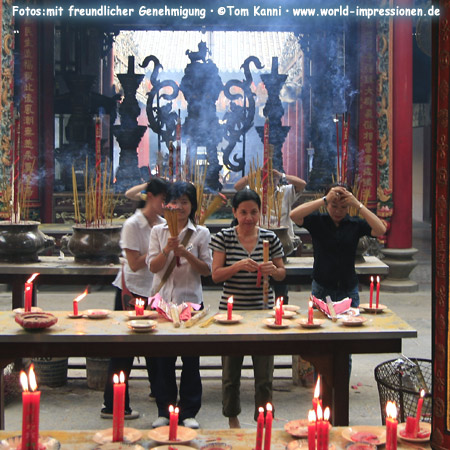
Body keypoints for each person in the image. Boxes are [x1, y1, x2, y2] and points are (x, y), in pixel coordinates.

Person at [209, 188, 286, 429]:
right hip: (231, 315)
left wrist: (274, 271)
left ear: (260, 213)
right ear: (234, 212)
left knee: (264, 375)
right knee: (231, 373)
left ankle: (263, 420)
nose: (249, 218)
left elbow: (282, 273)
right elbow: (216, 276)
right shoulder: (224, 237)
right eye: (243, 212)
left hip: (263, 312)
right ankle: (232, 419)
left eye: (253, 212)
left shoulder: (269, 238)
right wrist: (239, 265)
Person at [101, 177, 169, 420]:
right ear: (150, 197)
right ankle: (113, 405)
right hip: (131, 292)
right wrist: (161, 252)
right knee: (123, 348)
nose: (165, 205)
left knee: (156, 347)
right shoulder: (133, 224)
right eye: (163, 199)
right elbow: (134, 263)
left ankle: (160, 394)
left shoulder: (163, 223)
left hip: (154, 290)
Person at [147, 181, 212, 429]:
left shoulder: (201, 233)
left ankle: (188, 412)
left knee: (191, 360)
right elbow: (152, 267)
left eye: (185, 202)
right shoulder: (158, 232)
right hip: (163, 303)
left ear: (192, 205)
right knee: (163, 360)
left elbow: (206, 270)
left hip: (191, 303)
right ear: (167, 205)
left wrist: (186, 254)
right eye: (175, 202)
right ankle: (165, 409)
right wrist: (167, 250)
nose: (180, 207)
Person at [290, 183, 386, 307]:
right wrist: (324, 199)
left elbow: (380, 230)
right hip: (321, 288)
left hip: (348, 289)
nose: (338, 211)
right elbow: (294, 215)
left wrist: (358, 204)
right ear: (327, 204)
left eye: (343, 207)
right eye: (334, 206)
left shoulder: (354, 224)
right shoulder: (318, 221)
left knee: (350, 325)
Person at [234, 169, 306, 304]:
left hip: (282, 240)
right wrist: (255, 174)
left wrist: (282, 175)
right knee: (259, 278)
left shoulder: (286, 191)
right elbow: (238, 187)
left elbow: (302, 184)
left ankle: (282, 307)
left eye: (274, 177)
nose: (271, 180)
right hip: (258, 241)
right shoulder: (255, 191)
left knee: (280, 279)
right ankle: (258, 303)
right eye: (267, 177)